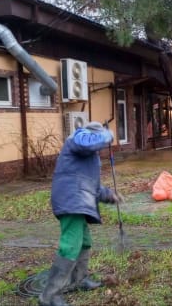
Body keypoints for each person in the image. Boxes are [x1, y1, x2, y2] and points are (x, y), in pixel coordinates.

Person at [39, 121, 123, 306]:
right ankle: (49, 296)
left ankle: (79, 280)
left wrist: (109, 195)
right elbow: (86, 143)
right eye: (100, 140)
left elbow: (90, 184)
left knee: (84, 242)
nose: (101, 147)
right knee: (70, 244)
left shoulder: (89, 155)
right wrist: (107, 135)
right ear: (94, 134)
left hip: (78, 200)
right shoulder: (77, 137)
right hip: (70, 200)